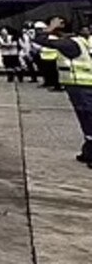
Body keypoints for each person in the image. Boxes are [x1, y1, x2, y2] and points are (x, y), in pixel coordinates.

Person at [36, 17, 92, 167]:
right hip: (84, 85)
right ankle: (88, 151)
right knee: (86, 119)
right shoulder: (85, 41)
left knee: (88, 118)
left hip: (81, 86)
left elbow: (40, 39)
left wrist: (49, 28)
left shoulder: (71, 43)